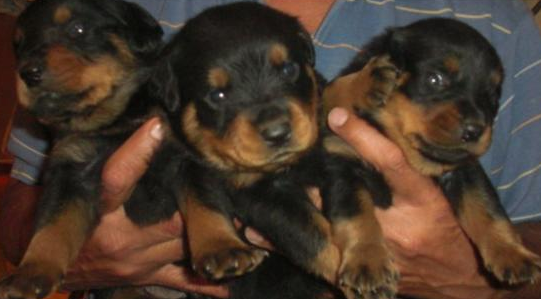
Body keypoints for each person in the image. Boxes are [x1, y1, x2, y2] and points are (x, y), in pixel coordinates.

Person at [1, 0, 541, 298]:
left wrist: (478, 278)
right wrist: (70, 256)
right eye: (216, 92)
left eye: (289, 71)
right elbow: (22, 202)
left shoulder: (500, 23)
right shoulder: (132, 39)